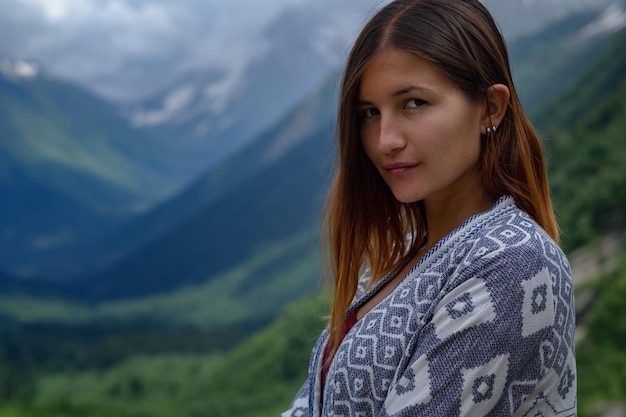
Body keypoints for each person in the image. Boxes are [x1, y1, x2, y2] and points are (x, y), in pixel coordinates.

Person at [280, 0, 576, 415]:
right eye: (369, 112)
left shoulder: (515, 264)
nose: (385, 140)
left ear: (491, 107)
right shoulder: (396, 256)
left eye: (414, 103)